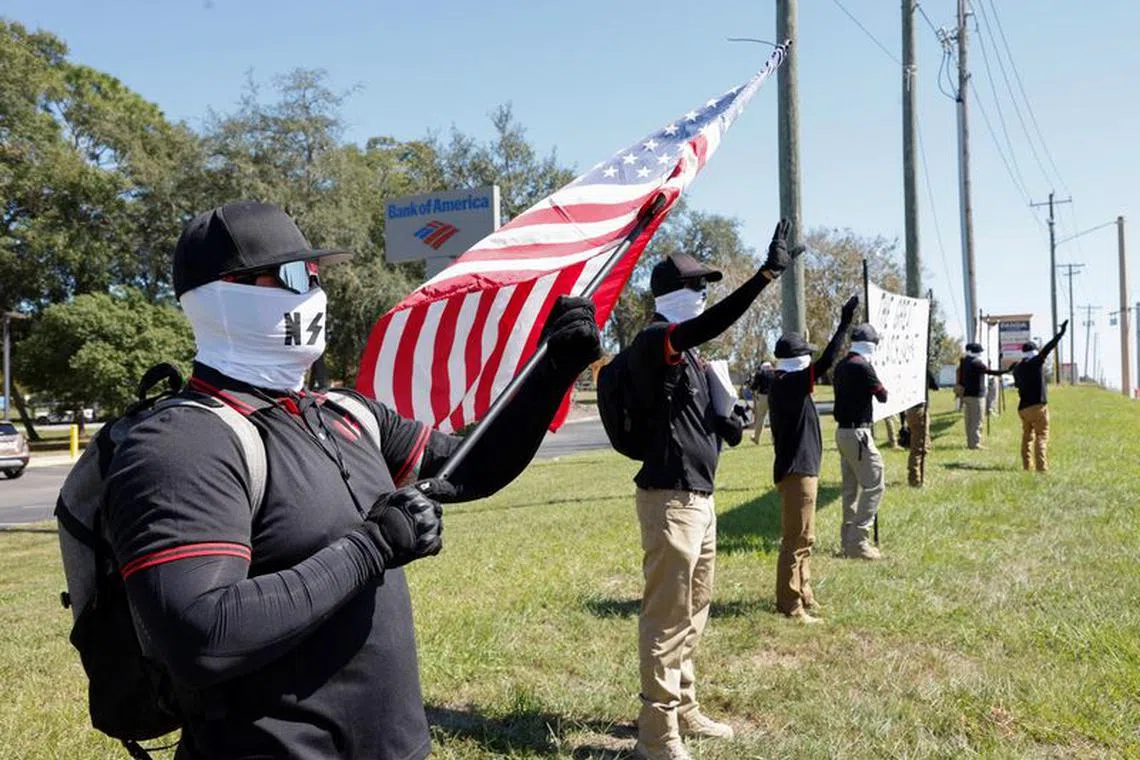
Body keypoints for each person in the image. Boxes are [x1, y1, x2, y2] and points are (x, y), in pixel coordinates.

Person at [103, 200, 603, 760]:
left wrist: (552, 371)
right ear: (223, 294)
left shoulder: (342, 410)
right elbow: (203, 635)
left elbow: (467, 470)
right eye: (293, 275)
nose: (313, 291)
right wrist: (375, 545)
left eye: (316, 275)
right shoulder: (182, 442)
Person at [625, 220, 798, 760]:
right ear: (672, 295)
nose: (705, 296)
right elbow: (715, 321)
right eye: (698, 287)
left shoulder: (695, 360)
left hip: (700, 497)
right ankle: (657, 736)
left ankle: (683, 707)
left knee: (694, 610)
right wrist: (766, 275)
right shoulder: (659, 340)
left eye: (707, 287)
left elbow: (698, 423)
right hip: (670, 500)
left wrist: (728, 422)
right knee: (666, 617)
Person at [767, 295, 860, 622]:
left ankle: (804, 592)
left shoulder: (785, 383)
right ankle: (790, 604)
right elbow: (827, 361)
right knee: (796, 539)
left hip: (802, 469)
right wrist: (845, 323)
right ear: (797, 361)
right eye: (806, 355)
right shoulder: (789, 383)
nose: (811, 361)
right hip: (798, 472)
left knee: (806, 538)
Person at [832, 323, 889, 560]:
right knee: (875, 484)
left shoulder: (842, 365)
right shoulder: (864, 367)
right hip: (859, 434)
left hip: (842, 433)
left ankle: (848, 540)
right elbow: (883, 396)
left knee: (850, 489)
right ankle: (859, 541)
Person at [1012, 321, 1068, 472]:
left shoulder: (1017, 368)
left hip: (1023, 408)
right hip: (1038, 406)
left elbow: (1017, 385)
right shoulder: (1036, 362)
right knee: (1041, 436)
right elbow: (1049, 347)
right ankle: (1042, 469)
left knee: (1027, 437)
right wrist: (1060, 334)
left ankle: (1026, 466)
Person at [957, 343, 1005, 449]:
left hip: (966, 394)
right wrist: (1006, 370)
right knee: (977, 420)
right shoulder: (977, 363)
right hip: (977, 396)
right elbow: (989, 371)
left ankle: (970, 442)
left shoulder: (964, 361)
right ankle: (975, 443)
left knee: (969, 421)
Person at [749, 361, 774, 444]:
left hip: (762, 396)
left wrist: (751, 385)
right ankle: (774, 439)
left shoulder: (760, 374)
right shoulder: (775, 373)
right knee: (773, 418)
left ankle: (756, 438)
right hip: (773, 396)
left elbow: (754, 386)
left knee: (760, 418)